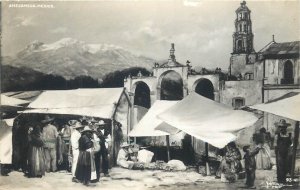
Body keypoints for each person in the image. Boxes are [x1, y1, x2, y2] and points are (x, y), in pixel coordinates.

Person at [274, 119, 292, 184]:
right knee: (280, 166)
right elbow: (275, 145)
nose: (282, 128)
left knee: (286, 165)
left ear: (286, 128)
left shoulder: (289, 135)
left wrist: (289, 151)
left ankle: (284, 179)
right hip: (279, 152)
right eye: (281, 127)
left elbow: (291, 144)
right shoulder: (277, 135)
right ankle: (280, 180)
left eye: (283, 127)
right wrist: (277, 152)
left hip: (287, 152)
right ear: (279, 128)